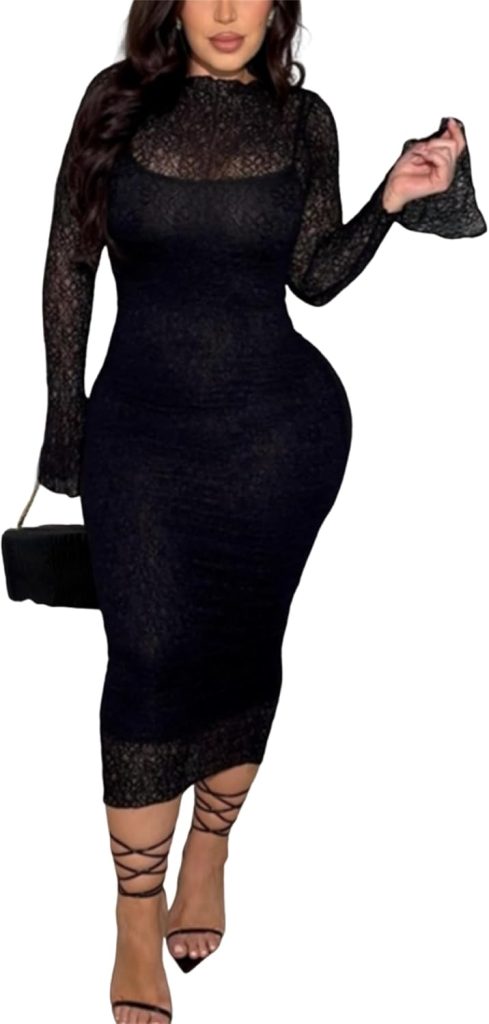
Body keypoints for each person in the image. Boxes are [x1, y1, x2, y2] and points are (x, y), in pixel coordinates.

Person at [36, 2, 485, 1021]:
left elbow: (312, 278)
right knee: (147, 661)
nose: (229, 12)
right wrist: (66, 428)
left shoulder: (301, 119)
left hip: (280, 437)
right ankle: (134, 915)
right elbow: (69, 264)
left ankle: (211, 848)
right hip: (141, 438)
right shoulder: (115, 104)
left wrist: (390, 199)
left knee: (243, 648)